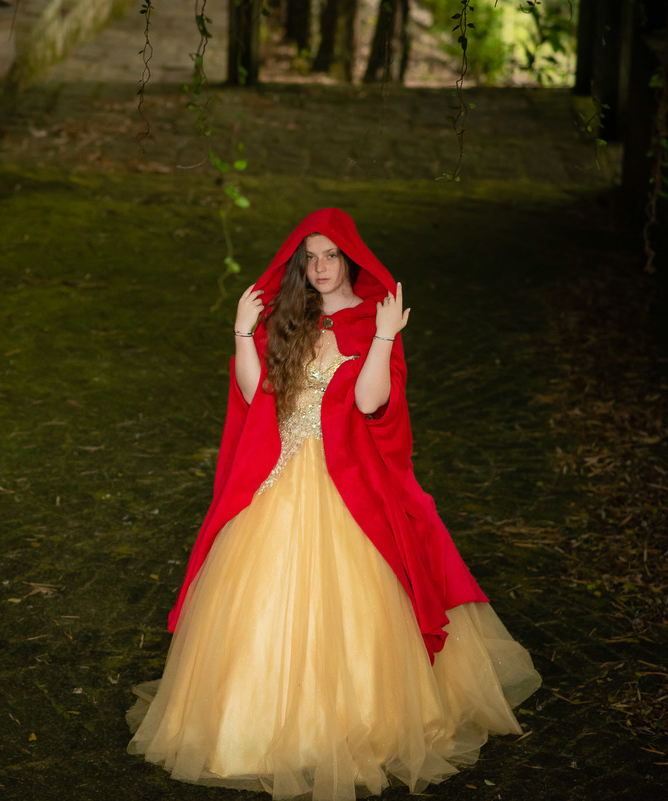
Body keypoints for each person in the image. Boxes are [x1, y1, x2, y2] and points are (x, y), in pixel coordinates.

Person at [126, 209, 542, 801]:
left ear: (348, 256)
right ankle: (256, 728)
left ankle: (350, 728)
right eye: (310, 257)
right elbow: (254, 397)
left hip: (348, 485)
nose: (320, 268)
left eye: (330, 255)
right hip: (280, 480)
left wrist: (384, 337)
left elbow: (374, 403)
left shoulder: (375, 319)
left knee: (356, 607)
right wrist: (243, 332)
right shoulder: (289, 320)